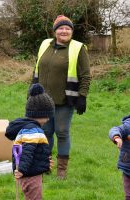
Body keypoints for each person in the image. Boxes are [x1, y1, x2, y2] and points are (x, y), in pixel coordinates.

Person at [31, 15, 91, 179]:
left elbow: (86, 76)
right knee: (45, 132)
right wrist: (32, 92)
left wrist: (82, 96)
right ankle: (45, 166)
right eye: (61, 28)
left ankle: (62, 172)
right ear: (55, 30)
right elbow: (37, 70)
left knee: (62, 132)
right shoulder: (45, 44)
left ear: (71, 31)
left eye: (68, 28)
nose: (64, 31)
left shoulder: (78, 48)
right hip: (43, 100)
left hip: (65, 100)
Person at [5, 83, 55, 200]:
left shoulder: (27, 128)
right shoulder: (33, 131)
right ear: (40, 114)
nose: (48, 119)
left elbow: (35, 152)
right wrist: (22, 170)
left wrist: (45, 163)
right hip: (29, 173)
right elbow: (27, 152)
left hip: (30, 171)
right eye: (47, 115)